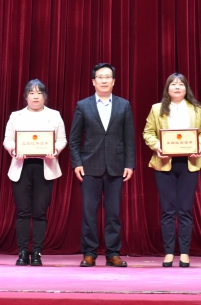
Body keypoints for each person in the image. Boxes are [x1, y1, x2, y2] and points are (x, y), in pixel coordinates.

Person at [69, 63, 135, 267]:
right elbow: (74, 139)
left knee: (113, 213)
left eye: (108, 77)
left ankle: (113, 253)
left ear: (114, 81)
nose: (104, 80)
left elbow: (129, 138)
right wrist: (77, 163)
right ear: (93, 81)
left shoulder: (124, 105)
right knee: (89, 212)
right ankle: (89, 253)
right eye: (100, 77)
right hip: (90, 166)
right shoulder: (83, 105)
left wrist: (129, 164)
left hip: (116, 166)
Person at [142, 73, 201, 268]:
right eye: (173, 84)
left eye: (181, 84)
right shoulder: (157, 109)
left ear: (186, 88)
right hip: (164, 163)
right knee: (168, 210)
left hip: (189, 163)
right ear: (168, 88)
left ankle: (185, 253)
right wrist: (158, 147)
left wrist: (199, 145)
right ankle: (169, 252)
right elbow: (148, 133)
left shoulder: (196, 109)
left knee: (186, 210)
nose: (177, 87)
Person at [4, 79, 67, 266]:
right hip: (21, 167)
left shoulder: (54, 115)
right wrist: (14, 150)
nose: (36, 96)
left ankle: (37, 253)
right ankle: (23, 252)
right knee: (23, 211)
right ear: (26, 96)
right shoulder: (16, 116)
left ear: (45, 96)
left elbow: (62, 140)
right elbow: (8, 140)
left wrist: (55, 150)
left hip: (45, 167)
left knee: (40, 212)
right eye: (31, 93)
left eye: (39, 92)